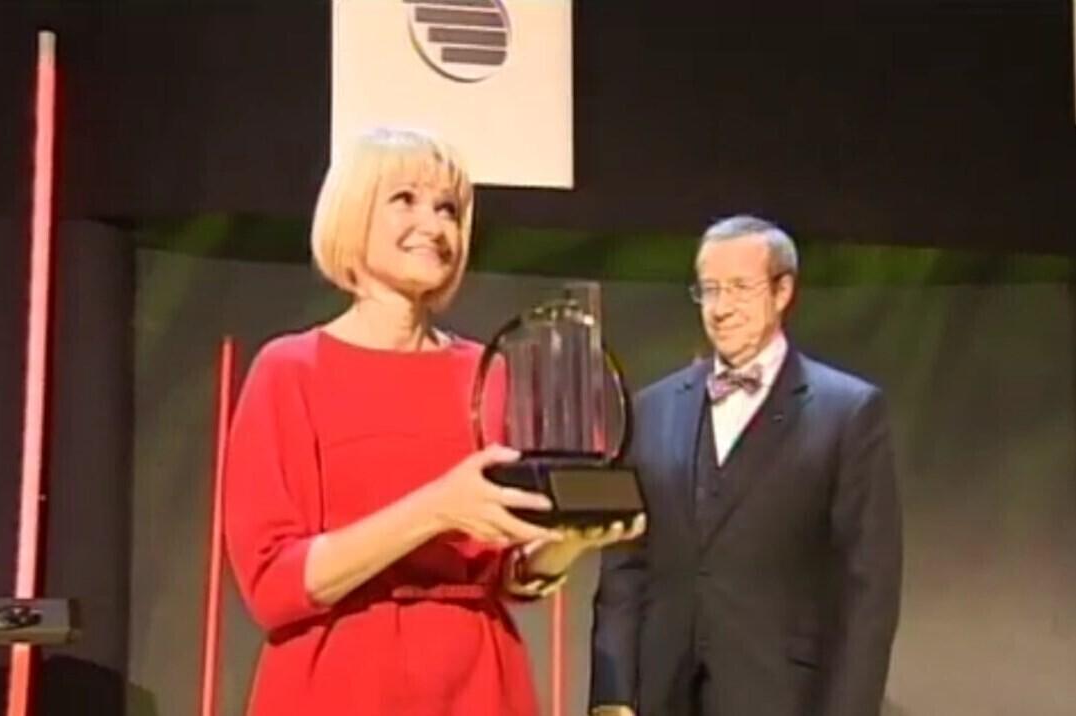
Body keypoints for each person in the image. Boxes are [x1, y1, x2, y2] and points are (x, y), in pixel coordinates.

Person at [224, 127, 644, 715]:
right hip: (337, 685)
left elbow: (507, 575)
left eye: (448, 209)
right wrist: (434, 509)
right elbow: (273, 585)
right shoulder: (291, 368)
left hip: (478, 685)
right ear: (353, 213)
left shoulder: (484, 371)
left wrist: (564, 546)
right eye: (405, 200)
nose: (435, 225)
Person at [589, 215, 903, 716]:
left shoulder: (848, 413)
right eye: (709, 289)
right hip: (663, 693)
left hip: (783, 697)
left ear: (782, 292)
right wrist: (612, 698)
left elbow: (867, 591)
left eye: (739, 287)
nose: (721, 308)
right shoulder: (651, 409)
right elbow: (625, 569)